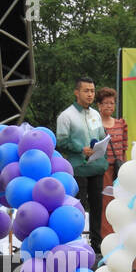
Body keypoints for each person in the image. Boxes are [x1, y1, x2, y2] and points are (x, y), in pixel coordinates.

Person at [55, 76, 107, 249]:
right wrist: (80, 148)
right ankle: (75, 241)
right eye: (86, 91)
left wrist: (101, 145)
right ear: (76, 92)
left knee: (97, 207)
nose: (90, 94)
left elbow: (100, 137)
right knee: (78, 207)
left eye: (92, 91)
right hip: (77, 168)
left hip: (96, 166)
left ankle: (97, 244)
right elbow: (60, 141)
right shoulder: (66, 115)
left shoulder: (95, 114)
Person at [97, 86, 128, 242]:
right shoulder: (94, 124)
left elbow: (124, 148)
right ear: (99, 106)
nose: (109, 106)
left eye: (112, 103)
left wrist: (126, 169)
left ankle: (121, 236)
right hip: (103, 171)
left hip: (119, 170)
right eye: (105, 103)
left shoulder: (121, 124)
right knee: (106, 204)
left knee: (122, 202)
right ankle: (106, 238)